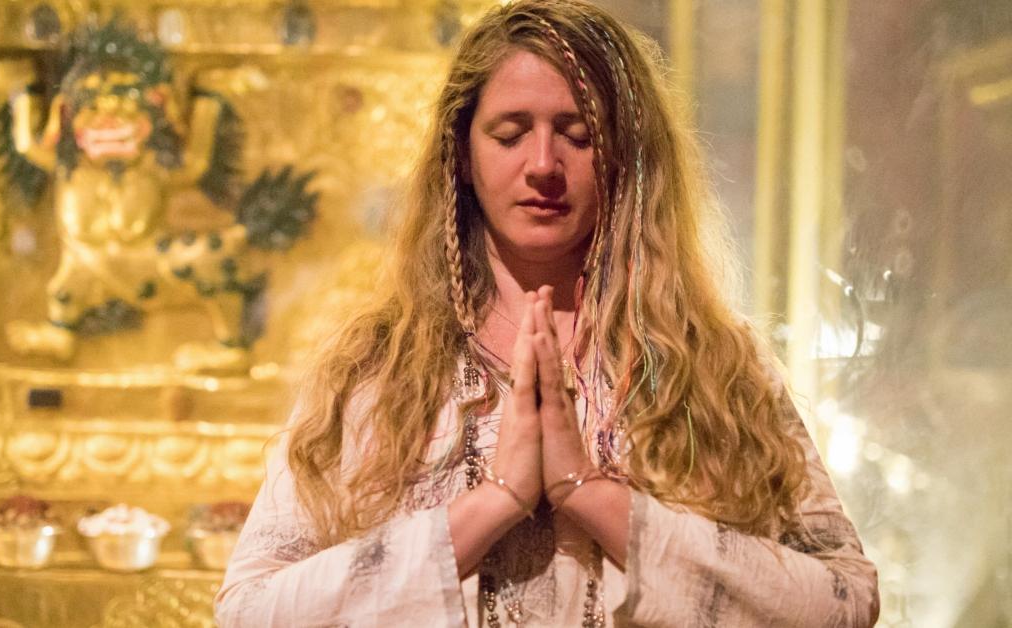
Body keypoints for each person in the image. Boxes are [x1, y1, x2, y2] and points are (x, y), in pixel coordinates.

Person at [215, 0, 880, 625]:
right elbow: (250, 610)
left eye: (578, 134)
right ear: (463, 157)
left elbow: (843, 598)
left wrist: (591, 494)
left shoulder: (708, 367)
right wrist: (494, 503)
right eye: (510, 134)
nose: (543, 166)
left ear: (626, 157)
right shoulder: (377, 368)